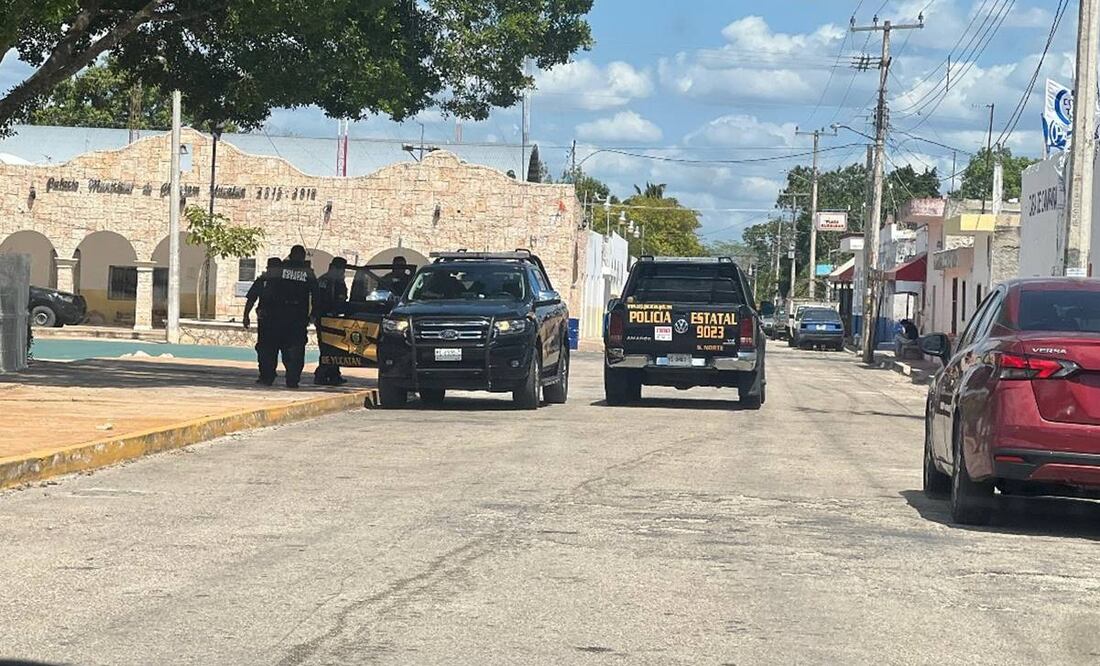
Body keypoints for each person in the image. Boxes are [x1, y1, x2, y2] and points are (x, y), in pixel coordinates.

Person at [243, 257, 283, 386]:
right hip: (266, 320)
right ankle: (266, 374)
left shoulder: (286, 282)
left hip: (282, 321)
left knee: (276, 349)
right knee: (265, 349)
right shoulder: (262, 281)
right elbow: (252, 299)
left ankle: (270, 373)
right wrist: (246, 316)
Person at [314, 257, 349, 386]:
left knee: (335, 348)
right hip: (324, 318)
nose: (342, 273)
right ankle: (321, 374)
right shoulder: (324, 281)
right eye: (341, 269)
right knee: (326, 348)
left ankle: (334, 374)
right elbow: (318, 300)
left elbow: (342, 298)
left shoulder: (339, 282)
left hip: (336, 319)